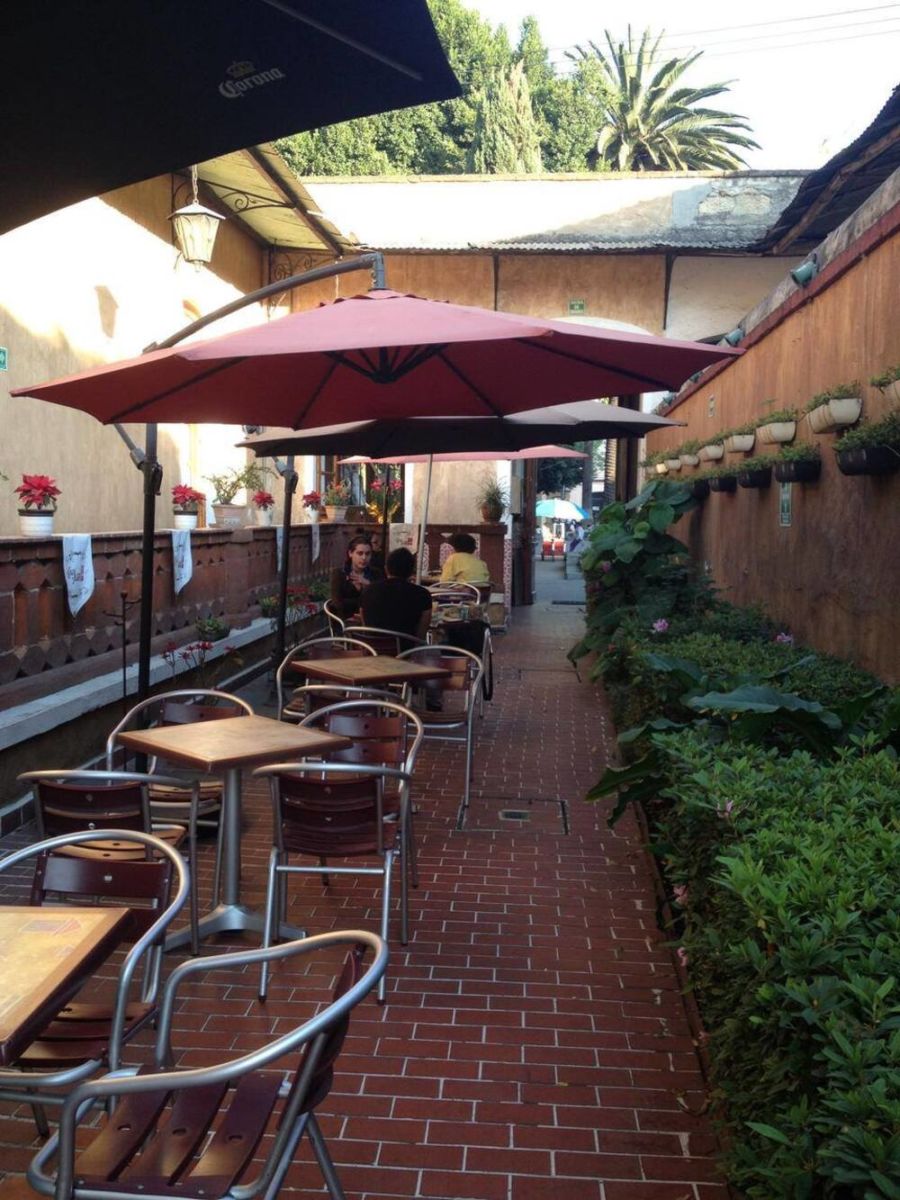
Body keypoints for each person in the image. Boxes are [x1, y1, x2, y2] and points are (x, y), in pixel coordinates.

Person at [360, 547, 433, 641]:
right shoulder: (423, 595)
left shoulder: (368, 591)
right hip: (407, 652)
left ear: (386, 569)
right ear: (412, 570)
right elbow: (421, 636)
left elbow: (365, 626)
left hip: (372, 650)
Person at [330, 535, 381, 619]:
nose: (364, 558)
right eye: (360, 553)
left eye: (368, 554)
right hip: (346, 620)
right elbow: (337, 603)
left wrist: (369, 585)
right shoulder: (340, 574)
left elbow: (381, 601)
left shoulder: (376, 573)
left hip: (371, 621)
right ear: (350, 553)